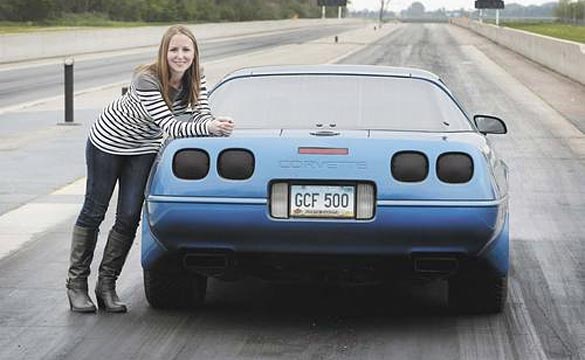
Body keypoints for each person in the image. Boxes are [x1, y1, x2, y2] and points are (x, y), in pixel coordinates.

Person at [66, 25, 234, 313]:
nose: (180, 56)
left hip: (143, 147)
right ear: (164, 52)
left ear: (194, 54)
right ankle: (76, 285)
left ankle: (106, 286)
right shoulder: (147, 78)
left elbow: (201, 112)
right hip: (109, 141)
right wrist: (208, 127)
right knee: (95, 209)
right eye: (174, 49)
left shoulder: (197, 76)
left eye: (186, 50)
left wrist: (217, 124)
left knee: (130, 215)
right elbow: (169, 125)